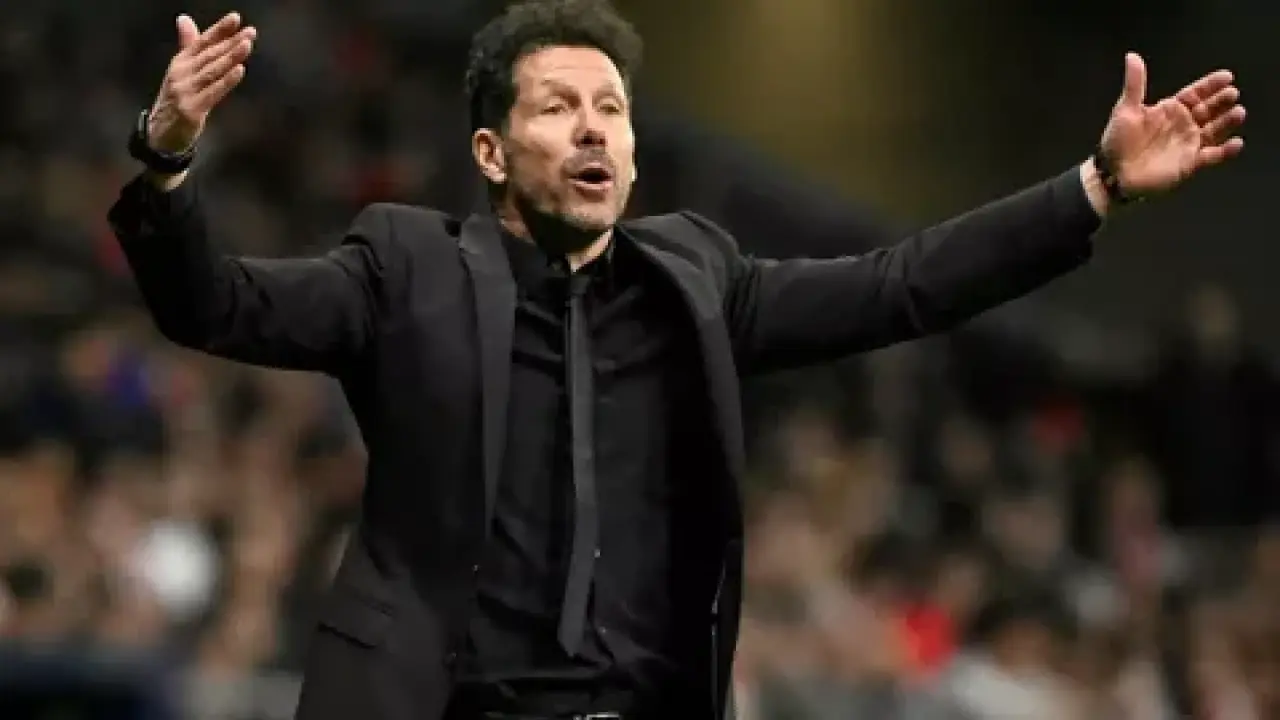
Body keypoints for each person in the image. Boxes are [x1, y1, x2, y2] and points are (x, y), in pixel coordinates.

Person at [105, 1, 1246, 718]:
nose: (594, 126)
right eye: (560, 106)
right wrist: (165, 159)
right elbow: (217, 306)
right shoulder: (404, 267)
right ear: (493, 153)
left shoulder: (697, 279)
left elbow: (901, 284)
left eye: (611, 108)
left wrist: (1092, 187)